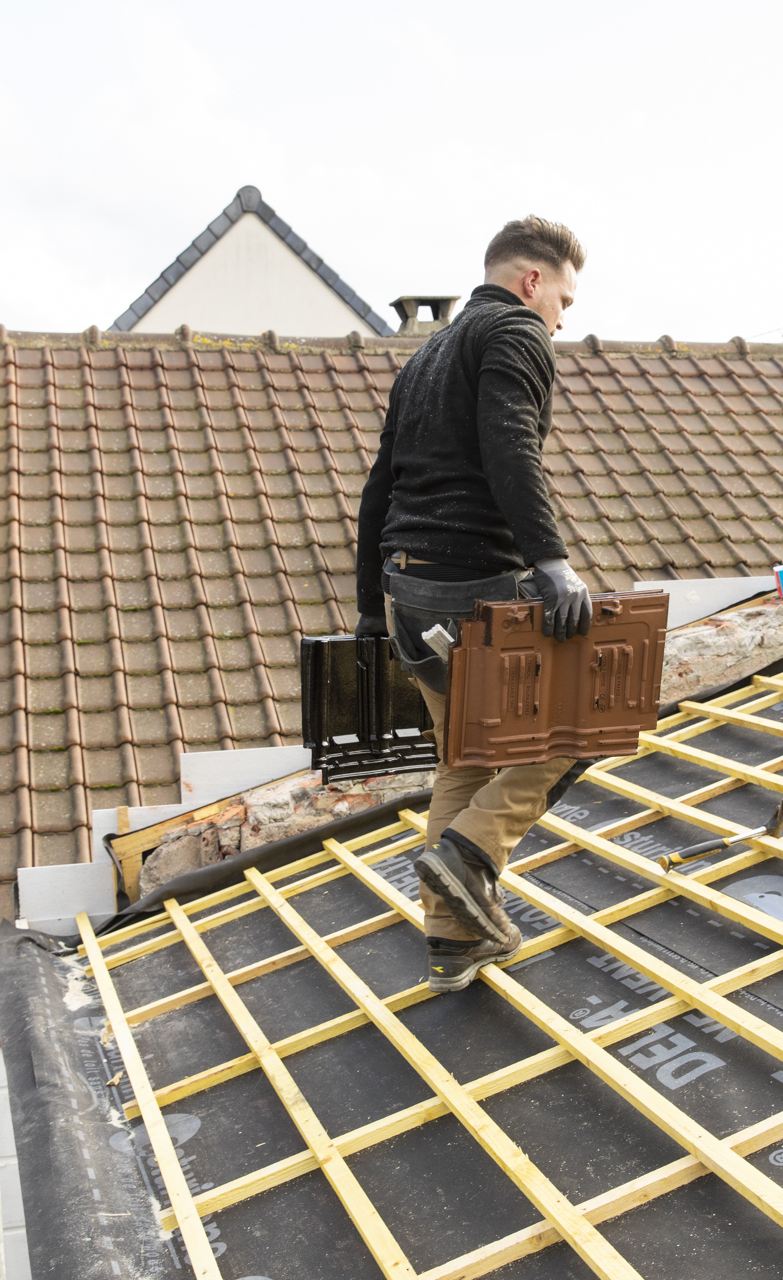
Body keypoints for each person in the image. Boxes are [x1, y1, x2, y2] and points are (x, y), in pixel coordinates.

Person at [354, 215, 593, 993]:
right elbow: (510, 446)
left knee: (465, 754)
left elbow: (378, 487)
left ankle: (452, 940)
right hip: (475, 594)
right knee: (584, 718)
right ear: (532, 281)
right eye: (564, 294)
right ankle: (470, 853)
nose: (566, 312)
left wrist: (367, 606)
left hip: (407, 592)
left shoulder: (426, 355)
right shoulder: (517, 334)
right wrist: (552, 562)